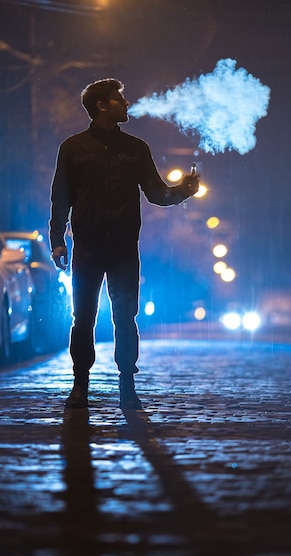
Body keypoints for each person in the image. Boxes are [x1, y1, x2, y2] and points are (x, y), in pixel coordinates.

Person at [49, 78, 199, 410]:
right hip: (87, 247)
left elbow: (158, 194)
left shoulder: (136, 148)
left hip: (123, 248)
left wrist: (185, 189)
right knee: (83, 317)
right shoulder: (73, 148)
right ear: (102, 105)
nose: (127, 104)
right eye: (120, 99)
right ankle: (80, 386)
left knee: (125, 317)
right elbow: (60, 198)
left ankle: (127, 385)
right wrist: (57, 241)